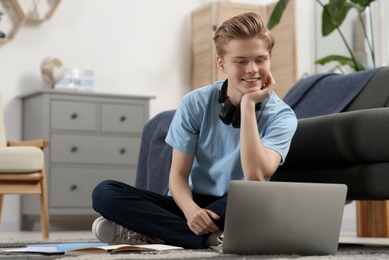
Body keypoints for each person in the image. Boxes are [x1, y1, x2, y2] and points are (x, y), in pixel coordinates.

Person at [91, 12, 297, 249]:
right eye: (241, 61)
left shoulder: (282, 116)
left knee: (260, 199)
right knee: (104, 192)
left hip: (239, 203)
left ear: (269, 60)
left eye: (260, 60)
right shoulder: (195, 103)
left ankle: (157, 230)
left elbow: (255, 177)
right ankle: (209, 237)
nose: (252, 69)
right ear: (222, 64)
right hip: (191, 203)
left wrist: (249, 106)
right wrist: (192, 213)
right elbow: (178, 176)